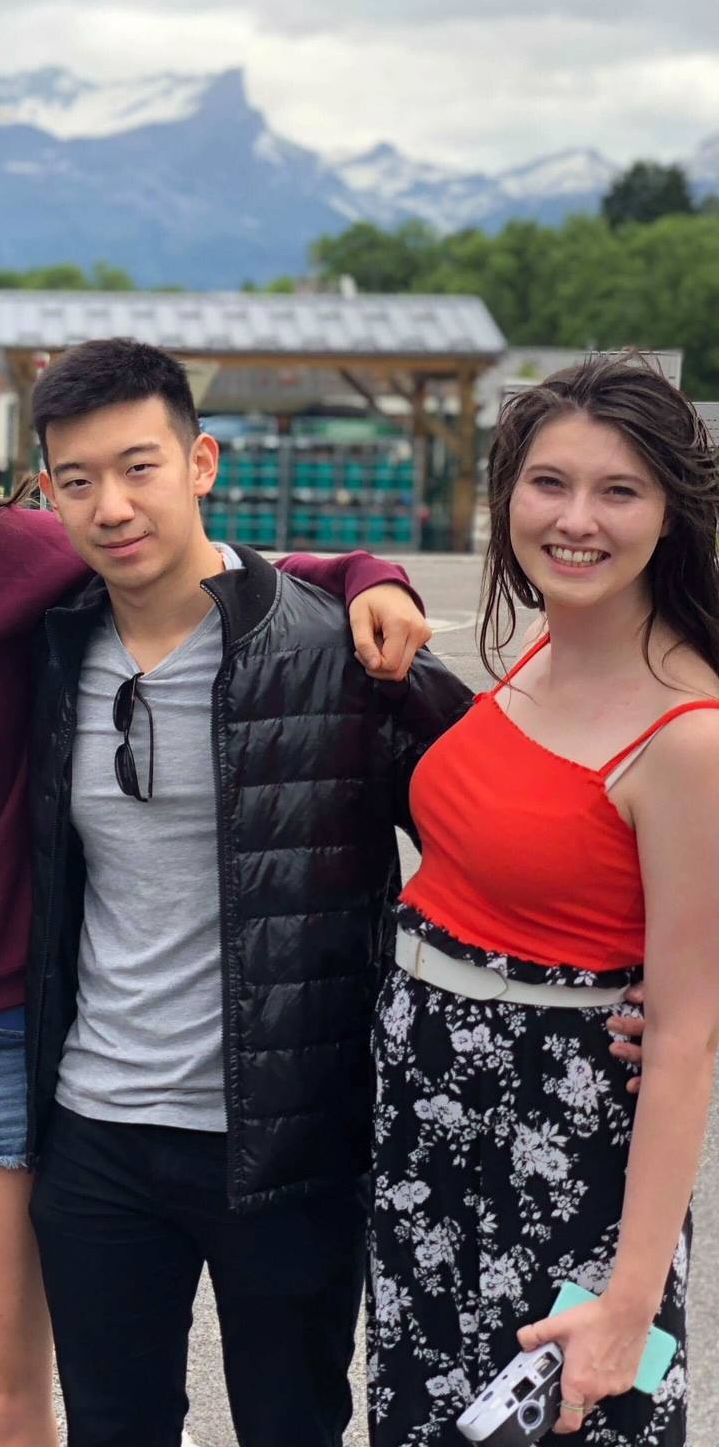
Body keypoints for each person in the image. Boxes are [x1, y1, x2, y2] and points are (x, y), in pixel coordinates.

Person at [0, 312, 430, 1447]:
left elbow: (219, 569)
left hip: (38, 1044)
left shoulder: (10, 561)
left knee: (72, 1399)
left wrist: (372, 568)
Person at [20, 338, 473, 1446]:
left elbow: (512, 824)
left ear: (202, 462)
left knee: (292, 1424)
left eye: (140, 467)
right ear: (46, 495)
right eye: (77, 481)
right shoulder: (42, 654)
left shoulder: (339, 655)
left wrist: (639, 975)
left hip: (286, 1142)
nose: (112, 505)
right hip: (98, 1137)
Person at [369, 354, 718, 1445]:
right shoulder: (537, 652)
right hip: (431, 1126)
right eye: (548, 483)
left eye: (618, 491)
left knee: (560, 1427)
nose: (576, 521)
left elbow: (687, 1037)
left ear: (671, 513)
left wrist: (627, 1298)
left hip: (561, 1144)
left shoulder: (690, 735)